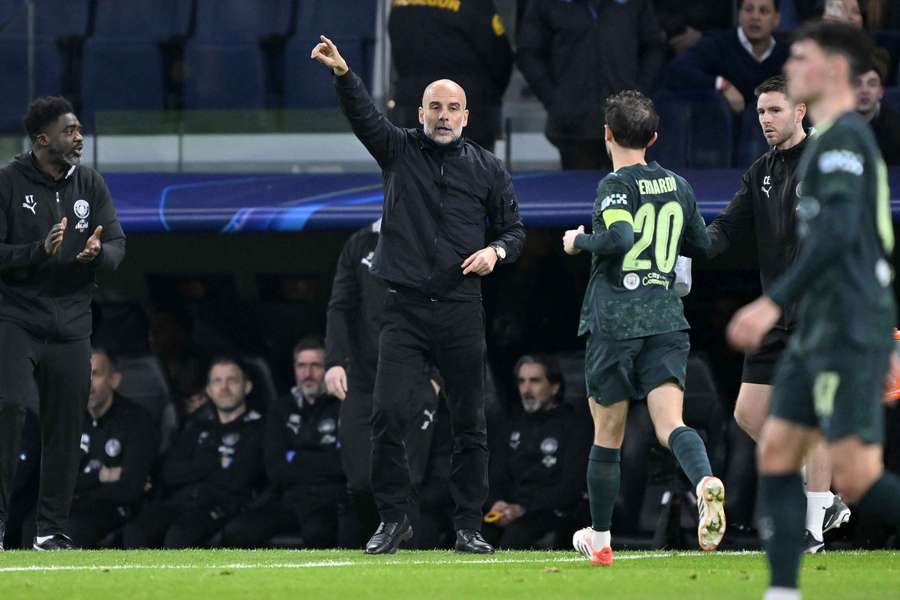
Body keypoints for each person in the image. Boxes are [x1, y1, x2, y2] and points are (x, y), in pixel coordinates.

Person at [311, 34, 526, 555]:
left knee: (470, 421)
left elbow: (515, 231)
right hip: (403, 308)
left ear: (467, 116)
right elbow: (364, 117)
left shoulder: (489, 169)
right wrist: (344, 74)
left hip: (459, 308)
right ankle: (392, 519)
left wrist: (496, 252)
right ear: (421, 112)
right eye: (435, 107)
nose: (444, 115)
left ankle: (470, 526)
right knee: (386, 414)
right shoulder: (398, 149)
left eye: (453, 108)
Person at [726, 21, 900, 600]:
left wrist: (770, 301)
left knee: (857, 478)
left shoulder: (844, 140)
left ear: (828, 71)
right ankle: (784, 589)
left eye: (801, 56)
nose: (792, 62)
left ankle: (818, 520)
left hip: (849, 315)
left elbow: (838, 236)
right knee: (776, 445)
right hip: (816, 319)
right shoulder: (817, 147)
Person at [561, 89, 724, 566]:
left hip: (615, 319)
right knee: (671, 424)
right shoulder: (679, 184)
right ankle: (705, 482)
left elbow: (619, 237)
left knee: (607, 435)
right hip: (666, 318)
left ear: (607, 133)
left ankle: (601, 537)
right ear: (653, 137)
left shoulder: (614, 184)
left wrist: (578, 241)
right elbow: (704, 244)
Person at [704, 75, 850, 553]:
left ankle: (811, 529)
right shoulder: (760, 171)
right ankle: (823, 493)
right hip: (775, 313)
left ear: (800, 111)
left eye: (774, 110)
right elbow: (726, 228)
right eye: (761, 112)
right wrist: (691, 242)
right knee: (748, 411)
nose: (765, 119)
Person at [0, 96, 126, 551]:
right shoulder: (8, 183)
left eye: (79, 130)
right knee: (9, 409)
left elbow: (117, 243)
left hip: (72, 321)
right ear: (42, 140)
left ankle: (50, 529)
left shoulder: (90, 184)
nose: (79, 138)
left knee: (67, 425)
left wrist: (98, 254)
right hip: (16, 316)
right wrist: (37, 251)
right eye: (69, 131)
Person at [324, 219, 446, 545]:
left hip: (413, 379)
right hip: (364, 382)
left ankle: (409, 567)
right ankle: (381, 539)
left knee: (407, 481)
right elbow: (340, 305)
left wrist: (436, 375)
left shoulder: (433, 241)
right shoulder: (359, 244)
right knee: (361, 481)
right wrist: (334, 361)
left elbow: (450, 309)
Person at [122, 357, 264, 549]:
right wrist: (212, 463)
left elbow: (240, 479)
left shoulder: (258, 428)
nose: (224, 387)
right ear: (209, 390)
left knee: (179, 536)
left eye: (232, 380)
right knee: (135, 531)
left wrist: (194, 468)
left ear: (247, 387)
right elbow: (169, 473)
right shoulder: (195, 427)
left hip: (222, 508)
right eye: (217, 381)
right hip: (180, 502)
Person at [221, 337, 350, 548]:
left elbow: (344, 465)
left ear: (328, 369)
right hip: (288, 498)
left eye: (315, 365)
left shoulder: (343, 406)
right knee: (237, 531)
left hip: (329, 501)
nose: (307, 373)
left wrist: (296, 457)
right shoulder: (281, 409)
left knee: (319, 533)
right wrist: (321, 459)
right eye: (301, 366)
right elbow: (275, 468)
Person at [517, 0, 666, 170]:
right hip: (574, 127)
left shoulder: (634, 4)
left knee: (627, 191)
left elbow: (654, 46)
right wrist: (555, 99)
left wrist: (639, 94)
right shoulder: (548, 4)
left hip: (626, 125)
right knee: (578, 193)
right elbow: (528, 53)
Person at [484, 354, 590, 549]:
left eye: (535, 381)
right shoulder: (510, 423)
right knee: (477, 534)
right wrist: (497, 501)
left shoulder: (574, 426)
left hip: (552, 511)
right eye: (522, 382)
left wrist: (524, 508)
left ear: (554, 387)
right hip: (509, 508)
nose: (526, 390)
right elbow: (495, 471)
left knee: (516, 536)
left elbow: (571, 486)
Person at [388, 0, 513, 152]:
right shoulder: (474, 4)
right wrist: (490, 98)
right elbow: (500, 56)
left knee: (414, 171)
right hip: (467, 113)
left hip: (412, 108)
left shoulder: (400, 3)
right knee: (471, 173)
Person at [68, 349, 158, 548]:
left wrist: (81, 487)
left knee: (70, 531)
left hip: (114, 508)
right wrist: (101, 476)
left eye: (96, 374)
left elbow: (131, 487)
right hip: (74, 504)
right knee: (33, 524)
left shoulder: (138, 421)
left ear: (114, 380)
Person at [666, 0, 788, 115]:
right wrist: (722, 85)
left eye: (763, 11)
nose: (755, 17)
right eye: (748, 10)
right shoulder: (718, 43)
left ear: (776, 19)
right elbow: (678, 69)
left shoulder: (787, 54)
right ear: (739, 14)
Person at [854, 64, 900, 166]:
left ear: (881, 92)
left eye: (872, 84)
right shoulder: (831, 122)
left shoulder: (896, 128)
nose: (864, 91)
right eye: (857, 84)